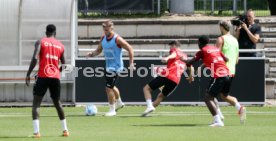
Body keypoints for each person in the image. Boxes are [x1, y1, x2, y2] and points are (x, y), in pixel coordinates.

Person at [185, 36, 246, 127]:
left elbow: (190, 62)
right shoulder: (215, 49)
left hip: (219, 75)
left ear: (199, 43)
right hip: (228, 74)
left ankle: (218, 120)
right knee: (224, 96)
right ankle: (238, 108)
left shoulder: (202, 51)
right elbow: (226, 59)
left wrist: (182, 60)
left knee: (207, 97)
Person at [25, 24, 69, 138]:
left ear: (46, 32)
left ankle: (37, 132)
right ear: (55, 33)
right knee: (58, 103)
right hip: (55, 77)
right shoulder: (61, 45)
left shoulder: (41, 41)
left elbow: (35, 58)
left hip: (43, 76)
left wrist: (28, 73)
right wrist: (56, 70)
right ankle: (65, 130)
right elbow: (65, 65)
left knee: (36, 103)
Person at [86, 20, 134, 116]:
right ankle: (119, 102)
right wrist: (92, 54)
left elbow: (130, 48)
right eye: (104, 29)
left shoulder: (117, 39)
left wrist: (131, 63)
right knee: (112, 86)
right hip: (108, 66)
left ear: (112, 28)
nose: (105, 31)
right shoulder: (103, 38)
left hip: (116, 67)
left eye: (107, 29)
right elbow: (99, 50)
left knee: (108, 88)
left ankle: (112, 110)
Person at [142, 40, 194, 117]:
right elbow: (191, 67)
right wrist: (191, 76)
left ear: (175, 45)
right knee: (161, 96)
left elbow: (173, 54)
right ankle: (148, 111)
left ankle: (149, 106)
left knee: (146, 89)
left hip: (168, 75)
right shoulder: (185, 56)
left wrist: (167, 58)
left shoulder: (175, 51)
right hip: (176, 80)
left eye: (171, 45)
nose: (170, 47)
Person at [214, 20, 246, 123]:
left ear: (222, 27)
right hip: (231, 71)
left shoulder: (221, 39)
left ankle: (218, 118)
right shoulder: (235, 40)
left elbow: (214, 56)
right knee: (224, 95)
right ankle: (239, 108)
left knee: (209, 95)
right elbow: (237, 60)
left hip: (221, 71)